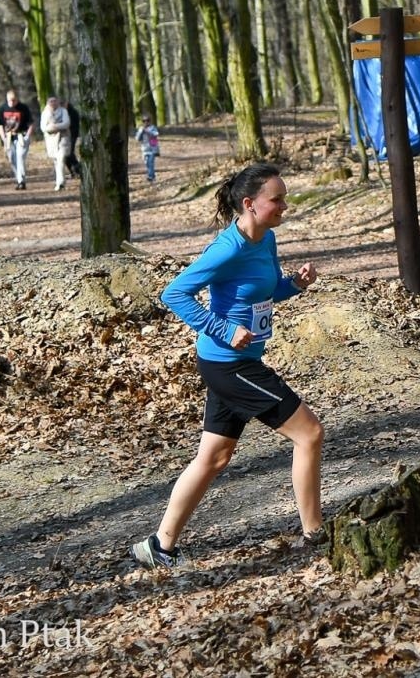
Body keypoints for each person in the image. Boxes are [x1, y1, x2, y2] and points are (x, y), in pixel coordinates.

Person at [131, 163, 324, 569]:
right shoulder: (226, 249)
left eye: (284, 198)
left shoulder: (265, 239)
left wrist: (294, 284)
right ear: (250, 204)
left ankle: (159, 546)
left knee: (214, 457)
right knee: (309, 434)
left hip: (235, 361)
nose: (284, 206)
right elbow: (175, 293)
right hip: (229, 364)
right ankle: (315, 536)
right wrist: (222, 328)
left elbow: (264, 291)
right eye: (277, 199)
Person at [0, 89, 34, 190]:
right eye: (9, 100)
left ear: (17, 99)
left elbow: (31, 123)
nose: (11, 102)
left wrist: (27, 137)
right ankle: (19, 179)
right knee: (12, 159)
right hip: (9, 137)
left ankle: (21, 181)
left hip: (21, 136)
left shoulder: (23, 108)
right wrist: (3, 137)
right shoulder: (3, 108)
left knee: (20, 157)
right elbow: (0, 124)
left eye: (13, 100)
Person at [40, 97, 72, 192]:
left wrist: (55, 126)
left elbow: (66, 123)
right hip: (51, 139)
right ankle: (59, 181)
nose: (53, 103)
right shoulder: (45, 113)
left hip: (63, 137)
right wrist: (51, 128)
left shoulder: (63, 111)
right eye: (51, 101)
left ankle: (60, 182)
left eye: (55, 101)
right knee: (56, 160)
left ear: (58, 101)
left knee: (61, 158)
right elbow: (43, 127)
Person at [135, 114, 162, 183]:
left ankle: (150, 177)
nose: (146, 122)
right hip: (144, 150)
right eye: (144, 121)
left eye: (147, 120)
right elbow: (137, 138)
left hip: (152, 149)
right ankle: (152, 176)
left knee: (151, 163)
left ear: (150, 121)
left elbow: (156, 134)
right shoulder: (141, 129)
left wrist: (148, 132)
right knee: (147, 164)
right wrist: (141, 132)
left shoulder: (153, 128)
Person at [64, 100, 83, 179]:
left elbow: (74, 125)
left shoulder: (73, 112)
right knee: (65, 155)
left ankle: (78, 170)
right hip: (65, 136)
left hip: (72, 135)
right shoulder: (62, 112)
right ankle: (73, 172)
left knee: (70, 153)